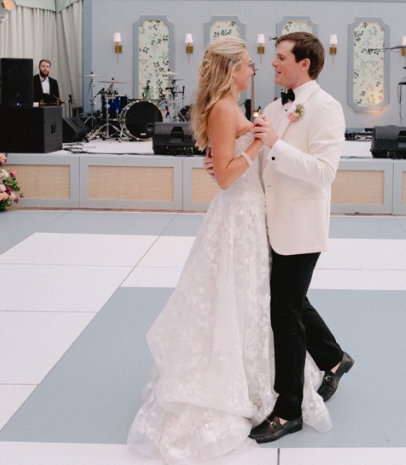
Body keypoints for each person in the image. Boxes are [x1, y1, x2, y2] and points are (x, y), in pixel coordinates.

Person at [127, 37, 330, 464]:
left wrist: (242, 151)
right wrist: (252, 147)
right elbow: (226, 175)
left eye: (274, 59)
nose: (258, 67)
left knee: (262, 302)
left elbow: (246, 162)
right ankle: (266, 386)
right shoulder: (225, 107)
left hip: (261, 217)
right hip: (241, 217)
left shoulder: (282, 107)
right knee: (249, 302)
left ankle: (323, 361)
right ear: (231, 68)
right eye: (250, 63)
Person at [247, 32, 351, 444]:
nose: (272, 64)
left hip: (302, 226)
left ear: (304, 63)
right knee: (290, 298)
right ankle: (333, 358)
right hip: (267, 222)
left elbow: (324, 172)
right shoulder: (275, 105)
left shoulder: (327, 108)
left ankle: (288, 409)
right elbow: (259, 157)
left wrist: (274, 144)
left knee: (283, 313)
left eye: (280, 58)